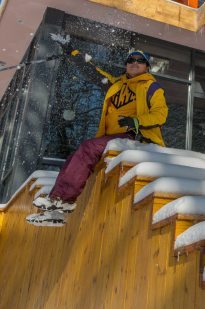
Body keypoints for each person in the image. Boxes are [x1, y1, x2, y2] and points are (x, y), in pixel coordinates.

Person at [26, 49, 167, 226]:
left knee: (87, 148)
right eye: (131, 59)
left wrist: (136, 122)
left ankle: (64, 199)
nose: (135, 63)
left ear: (147, 67)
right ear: (126, 65)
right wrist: (72, 53)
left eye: (141, 61)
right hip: (115, 137)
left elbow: (160, 115)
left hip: (137, 137)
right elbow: (93, 73)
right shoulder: (116, 84)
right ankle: (56, 212)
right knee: (73, 159)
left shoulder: (152, 87)